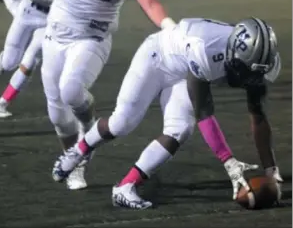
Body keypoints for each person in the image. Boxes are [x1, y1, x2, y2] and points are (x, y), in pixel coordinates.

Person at [24, 0, 176, 190]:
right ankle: (73, 154)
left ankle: (85, 140)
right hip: (56, 33)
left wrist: (168, 25)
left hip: (93, 35)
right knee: (57, 113)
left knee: (71, 91)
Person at [52, 18, 283, 209]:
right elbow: (203, 112)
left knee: (179, 129)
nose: (249, 79)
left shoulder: (256, 60)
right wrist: (228, 162)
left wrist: (271, 170)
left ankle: (125, 187)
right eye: (245, 71)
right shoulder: (206, 49)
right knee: (121, 123)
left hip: (182, 72)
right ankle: (78, 151)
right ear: (233, 54)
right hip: (157, 58)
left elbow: (258, 115)